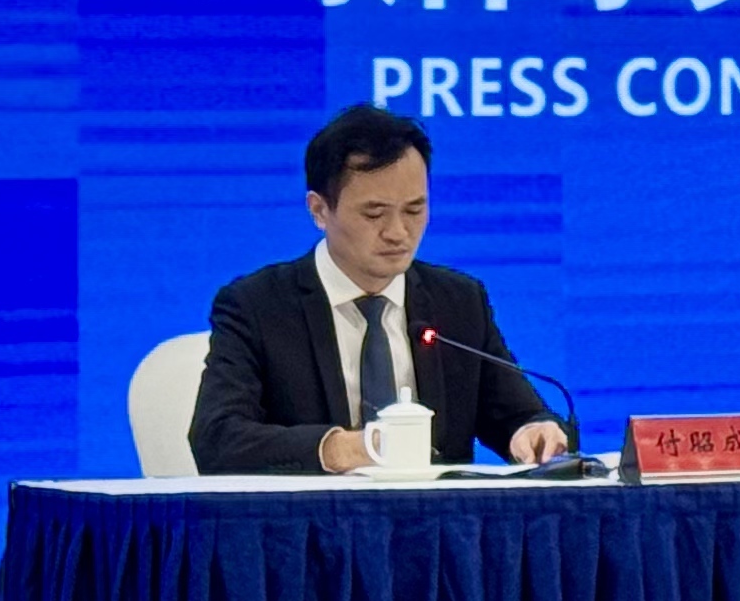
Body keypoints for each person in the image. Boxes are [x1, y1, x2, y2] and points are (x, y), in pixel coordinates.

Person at [188, 105, 565, 473]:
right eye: (374, 214)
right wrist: (344, 448)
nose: (398, 233)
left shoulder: (459, 302)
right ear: (319, 210)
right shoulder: (257, 306)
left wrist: (535, 432)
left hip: (436, 514)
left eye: (414, 210)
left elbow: (520, 415)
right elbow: (216, 439)